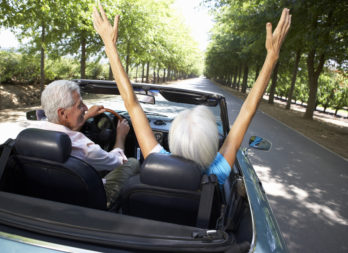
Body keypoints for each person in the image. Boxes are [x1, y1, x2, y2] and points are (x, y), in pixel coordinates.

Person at [92, 4, 291, 187]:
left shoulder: (154, 158)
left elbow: (132, 103)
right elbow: (248, 110)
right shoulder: (218, 172)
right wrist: (272, 56)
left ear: (173, 142)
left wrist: (109, 44)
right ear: (211, 148)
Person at [38, 80, 140, 207]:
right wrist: (120, 136)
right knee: (132, 163)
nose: (86, 108)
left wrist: (86, 116)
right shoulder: (84, 148)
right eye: (80, 105)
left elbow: (65, 130)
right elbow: (116, 161)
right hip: (87, 200)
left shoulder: (34, 134)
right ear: (62, 113)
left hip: (50, 195)